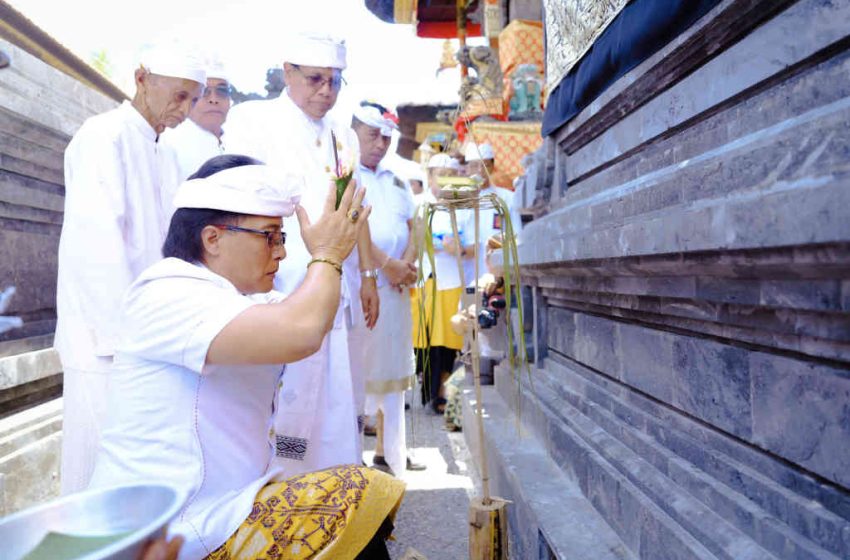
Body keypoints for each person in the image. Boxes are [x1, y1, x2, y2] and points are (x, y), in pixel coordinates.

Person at [89, 155, 404, 560]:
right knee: (353, 495)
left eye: (282, 237)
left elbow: (307, 316)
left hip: (219, 513)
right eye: (269, 236)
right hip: (171, 532)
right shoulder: (166, 291)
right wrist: (327, 253)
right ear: (213, 239)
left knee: (352, 513)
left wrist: (331, 256)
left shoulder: (235, 299)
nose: (281, 254)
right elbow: (302, 330)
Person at [224, 33, 379, 476]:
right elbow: (242, 202)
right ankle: (286, 500)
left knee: (338, 394)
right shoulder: (252, 121)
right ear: (287, 72)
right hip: (280, 284)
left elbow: (355, 210)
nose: (325, 91)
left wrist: (366, 276)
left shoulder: (342, 134)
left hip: (338, 282)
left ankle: (338, 494)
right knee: (286, 401)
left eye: (334, 81)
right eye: (315, 79)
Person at [56, 45, 206, 494]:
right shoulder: (103, 136)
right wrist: (128, 335)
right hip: (105, 340)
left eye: (192, 100)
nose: (184, 110)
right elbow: (96, 246)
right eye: (178, 96)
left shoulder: (169, 154)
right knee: (95, 466)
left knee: (134, 473)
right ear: (142, 77)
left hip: (148, 337)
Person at [348, 101, 424, 476]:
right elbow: (353, 229)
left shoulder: (395, 178)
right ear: (354, 132)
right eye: (372, 135)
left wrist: (406, 264)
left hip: (394, 290)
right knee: (357, 371)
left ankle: (390, 452)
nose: (380, 143)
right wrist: (387, 265)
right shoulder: (345, 174)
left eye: (386, 137)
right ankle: (349, 457)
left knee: (393, 370)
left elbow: (414, 226)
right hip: (361, 285)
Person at [411, 153, 474, 413]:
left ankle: (441, 391)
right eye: (439, 176)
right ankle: (428, 385)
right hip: (424, 280)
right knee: (423, 339)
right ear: (429, 178)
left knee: (447, 339)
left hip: (451, 282)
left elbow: (472, 246)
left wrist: (458, 249)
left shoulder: (465, 209)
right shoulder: (417, 205)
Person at [160, 57, 232, 179]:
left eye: (222, 91)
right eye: (204, 91)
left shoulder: (244, 138)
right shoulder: (168, 144)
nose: (213, 99)